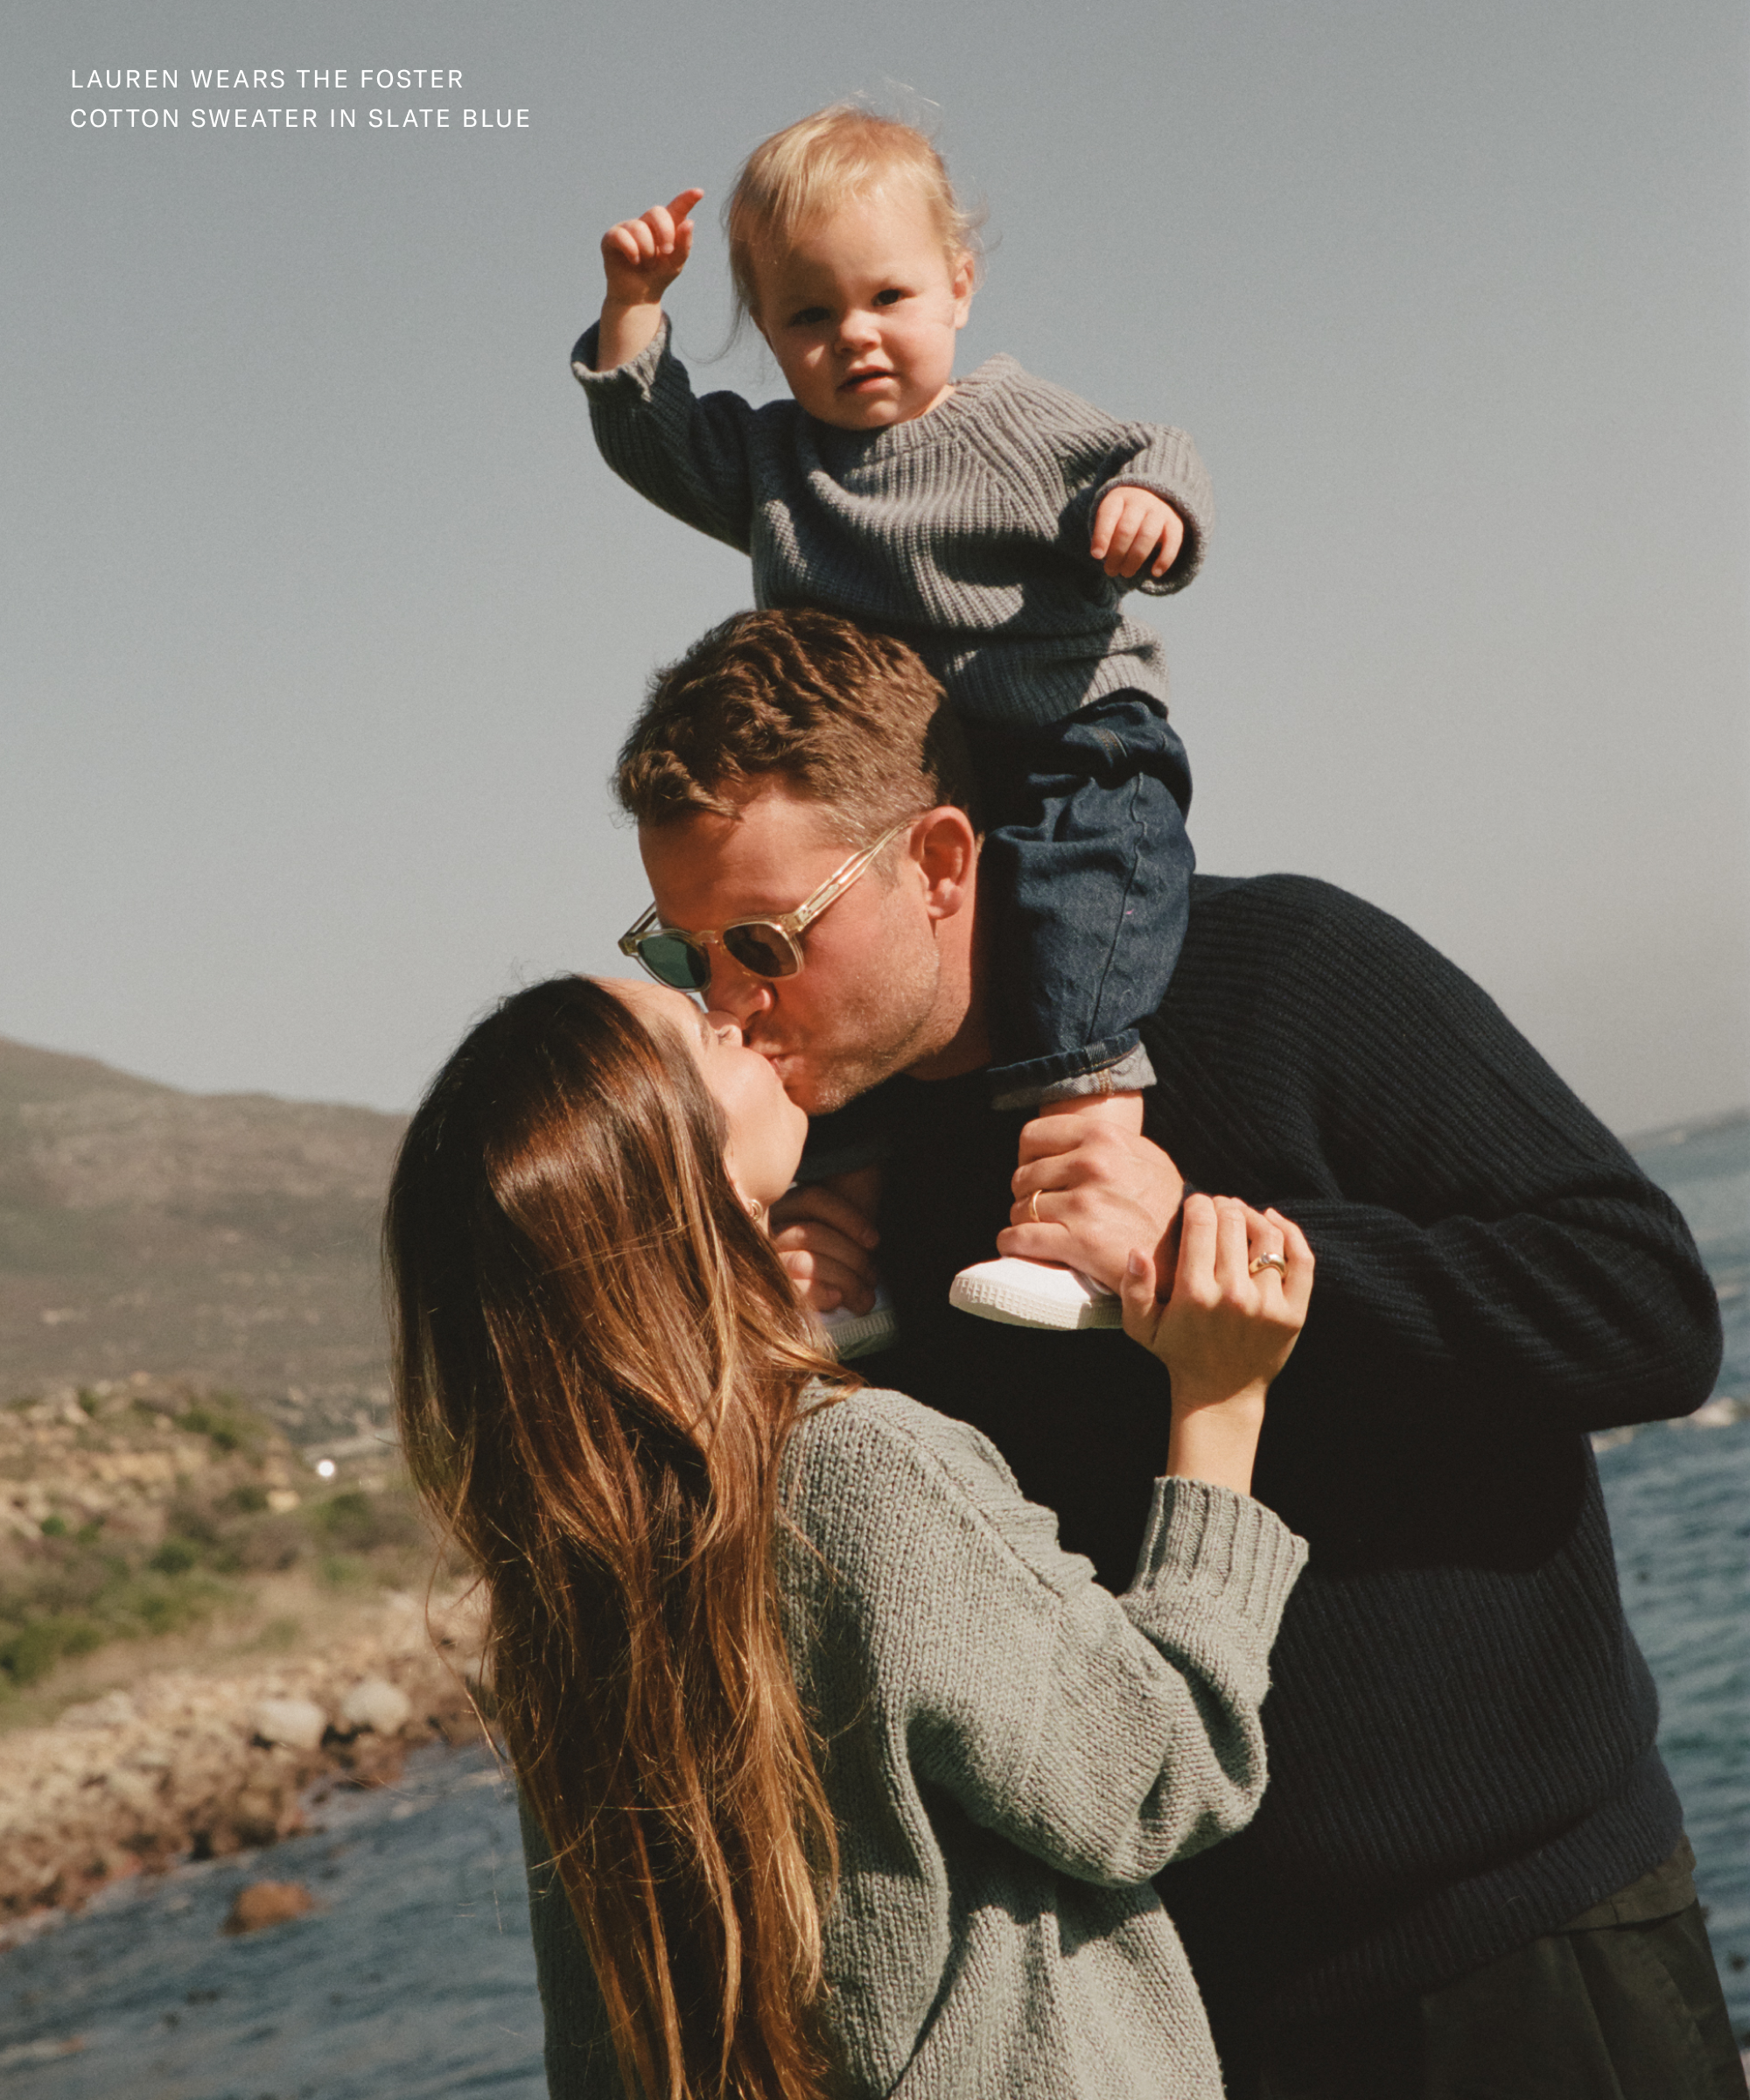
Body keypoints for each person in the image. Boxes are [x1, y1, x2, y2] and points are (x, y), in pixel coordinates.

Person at [610, 607, 1742, 2099]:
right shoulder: (834, 1182)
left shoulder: (1276, 970)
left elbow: (1649, 1312)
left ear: (943, 864)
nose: (731, 1001)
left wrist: (1263, 1260)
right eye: (682, 951)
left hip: (1524, 1941)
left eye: (764, 941)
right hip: (1176, 2018)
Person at [384, 972, 1312, 2100]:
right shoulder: (859, 1470)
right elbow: (1162, 1774)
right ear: (683, 1170)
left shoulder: (569, 1574)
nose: (733, 1011)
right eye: (700, 1034)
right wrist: (1221, 1403)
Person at [575, 103, 1212, 1326]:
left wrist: (1147, 511)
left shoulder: (1011, 427)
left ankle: (1082, 1201)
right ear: (767, 332)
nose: (856, 338)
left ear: (957, 288)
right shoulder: (779, 470)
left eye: (890, 299)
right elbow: (652, 442)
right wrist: (636, 311)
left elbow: (1155, 451)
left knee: (1080, 921)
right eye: (811, 317)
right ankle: (833, 1261)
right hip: (916, 782)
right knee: (821, 1000)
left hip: (1081, 739)